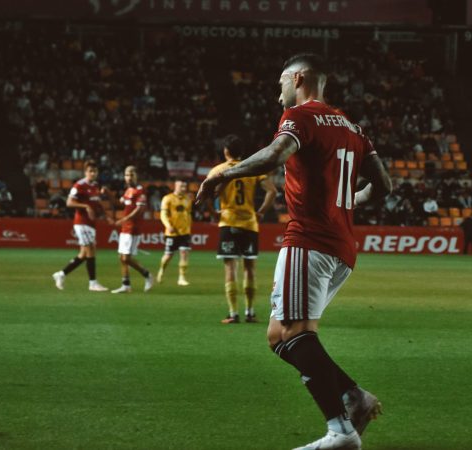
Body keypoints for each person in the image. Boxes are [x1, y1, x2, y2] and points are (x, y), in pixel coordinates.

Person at [197, 53, 392, 450]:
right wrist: (345, 204)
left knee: (297, 333)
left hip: (310, 241)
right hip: (341, 248)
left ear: (299, 78)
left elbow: (274, 156)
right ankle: (355, 396)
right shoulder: (354, 128)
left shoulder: (300, 118)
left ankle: (340, 432)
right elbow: (384, 186)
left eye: (281, 83)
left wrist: (224, 174)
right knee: (278, 336)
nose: (277, 94)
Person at [207, 134, 277, 324]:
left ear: (225, 151)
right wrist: (261, 213)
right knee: (250, 268)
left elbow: (207, 193)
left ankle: (233, 313)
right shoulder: (251, 169)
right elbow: (272, 191)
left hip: (228, 222)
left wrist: (213, 213)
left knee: (230, 268)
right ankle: (250, 312)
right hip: (249, 223)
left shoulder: (218, 170)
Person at [52, 160, 111, 292]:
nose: (93, 173)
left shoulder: (95, 186)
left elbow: (96, 203)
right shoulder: (79, 185)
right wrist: (85, 206)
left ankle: (61, 274)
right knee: (90, 250)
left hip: (91, 224)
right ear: (85, 172)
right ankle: (93, 283)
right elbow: (69, 202)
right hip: (82, 222)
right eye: (90, 171)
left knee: (84, 254)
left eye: (95, 171)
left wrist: (105, 215)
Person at [111, 166, 154, 294]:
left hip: (133, 228)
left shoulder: (140, 190)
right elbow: (120, 204)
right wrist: (107, 193)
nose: (128, 177)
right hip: (126, 228)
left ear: (136, 175)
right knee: (122, 257)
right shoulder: (128, 190)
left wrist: (124, 219)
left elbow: (139, 210)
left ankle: (147, 275)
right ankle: (126, 285)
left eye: (131, 174)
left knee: (126, 258)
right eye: (126, 175)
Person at [157, 180, 193, 286]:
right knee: (168, 256)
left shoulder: (188, 199)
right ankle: (162, 270)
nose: (183, 188)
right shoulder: (167, 198)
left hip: (185, 232)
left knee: (184, 254)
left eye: (185, 186)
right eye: (181, 186)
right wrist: (168, 226)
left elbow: (188, 214)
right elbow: (163, 214)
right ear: (175, 186)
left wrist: (189, 226)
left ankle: (181, 278)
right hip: (172, 232)